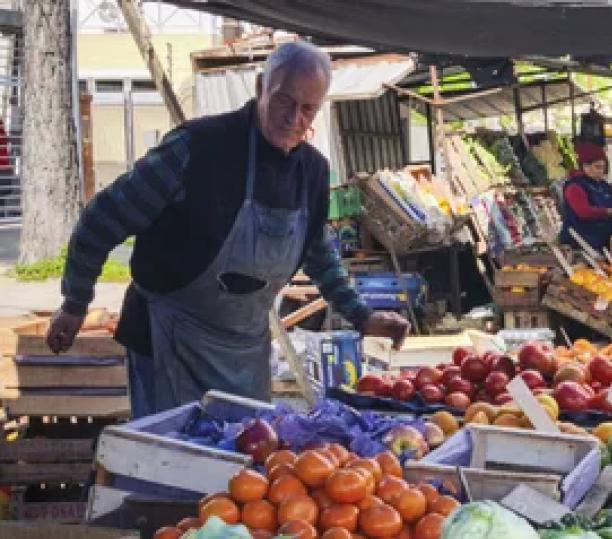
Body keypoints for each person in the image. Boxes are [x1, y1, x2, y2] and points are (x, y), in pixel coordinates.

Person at [45, 42, 410, 416]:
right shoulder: (196, 149)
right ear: (259, 88)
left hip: (244, 352)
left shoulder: (312, 173)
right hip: (168, 341)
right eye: (284, 101)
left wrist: (362, 316)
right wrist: (75, 304)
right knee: (171, 466)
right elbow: (100, 220)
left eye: (308, 108)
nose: (294, 118)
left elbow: (320, 256)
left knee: (245, 461)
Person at [560, 143, 612, 251]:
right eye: (598, 167)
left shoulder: (602, 184)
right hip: (581, 243)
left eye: (603, 168)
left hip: (602, 241)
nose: (601, 171)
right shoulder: (574, 187)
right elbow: (584, 212)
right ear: (585, 166)